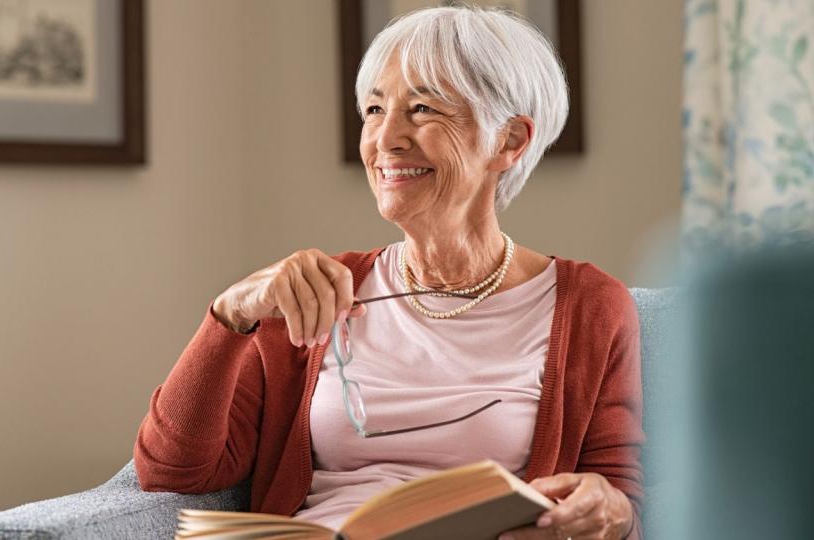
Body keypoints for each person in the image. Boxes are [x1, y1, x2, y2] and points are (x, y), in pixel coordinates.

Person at [134, 6, 643, 540]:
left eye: (422, 109)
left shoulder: (589, 306)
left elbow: (619, 496)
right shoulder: (315, 295)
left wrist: (611, 510)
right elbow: (172, 472)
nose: (387, 139)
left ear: (509, 141)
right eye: (375, 109)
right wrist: (229, 313)